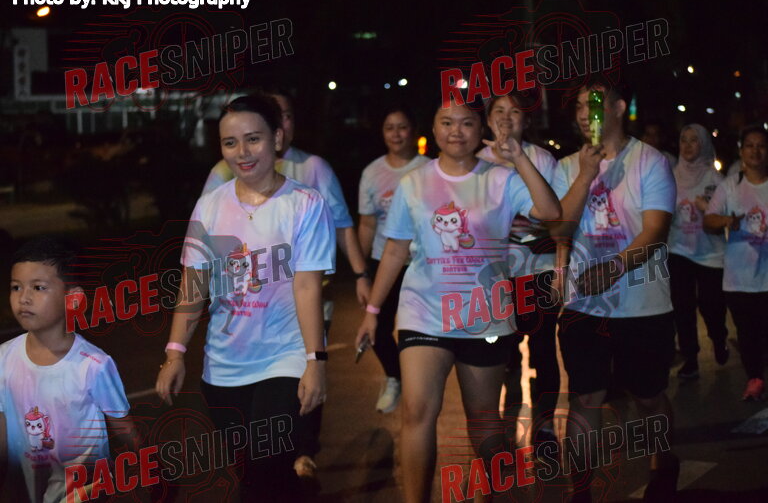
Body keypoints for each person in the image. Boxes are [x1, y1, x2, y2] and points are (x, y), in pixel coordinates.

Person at [356, 98, 561, 502]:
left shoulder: (502, 178)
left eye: (466, 123)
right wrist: (373, 311)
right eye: (446, 122)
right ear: (433, 130)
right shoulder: (414, 183)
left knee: (484, 428)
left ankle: (493, 491)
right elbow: (395, 250)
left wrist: (518, 158)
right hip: (423, 313)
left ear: (481, 130)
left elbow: (551, 212)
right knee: (417, 412)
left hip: (485, 316)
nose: (456, 131)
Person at [156, 96, 336, 501]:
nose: (242, 152)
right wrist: (175, 353)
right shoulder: (210, 206)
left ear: (277, 138)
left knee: (266, 463)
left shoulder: (306, 204)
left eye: (253, 139)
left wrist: (315, 361)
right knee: (254, 475)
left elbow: (307, 287)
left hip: (285, 358)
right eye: (230, 142)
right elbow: (194, 283)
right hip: (224, 366)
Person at [202, 89, 370, 478]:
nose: (243, 148)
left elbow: (342, 224)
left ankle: (303, 448)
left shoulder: (314, 170)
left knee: (305, 370)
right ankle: (281, 460)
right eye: (232, 141)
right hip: (241, 330)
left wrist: (361, 274)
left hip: (304, 303)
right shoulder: (222, 176)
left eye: (288, 115)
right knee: (253, 460)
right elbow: (208, 237)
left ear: (280, 130)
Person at [551, 81, 679, 503]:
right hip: (584, 305)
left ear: (620, 108)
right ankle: (580, 491)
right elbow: (560, 230)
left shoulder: (651, 162)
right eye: (578, 106)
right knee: (585, 398)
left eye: (594, 105)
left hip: (644, 304)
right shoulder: (566, 167)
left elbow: (655, 231)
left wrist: (616, 267)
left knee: (647, 397)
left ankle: (663, 463)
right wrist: (586, 175)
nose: (584, 114)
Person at [1, 237, 133, 503]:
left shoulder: (93, 364)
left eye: (38, 288)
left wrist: (153, 465)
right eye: (16, 287)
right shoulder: (3, 357)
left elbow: (123, 426)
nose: (23, 298)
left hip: (85, 489)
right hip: (34, 489)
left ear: (72, 299)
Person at [476, 92, 560, 445]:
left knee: (543, 351)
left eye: (515, 112)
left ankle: (545, 426)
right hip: (495, 277)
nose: (506, 117)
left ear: (526, 120)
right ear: (487, 119)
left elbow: (558, 215)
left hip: (538, 271)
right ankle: (505, 430)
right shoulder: (475, 162)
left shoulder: (542, 159)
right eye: (499, 111)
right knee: (502, 355)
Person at [704, 125, 768, 400]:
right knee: (747, 330)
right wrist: (726, 220)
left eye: (761, 146)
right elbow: (709, 219)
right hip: (738, 275)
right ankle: (755, 378)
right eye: (749, 146)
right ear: (741, 151)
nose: (755, 151)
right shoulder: (729, 186)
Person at [357, 104, 429, 413]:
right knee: (377, 327)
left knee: (418, 330)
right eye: (389, 128)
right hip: (383, 260)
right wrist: (362, 272)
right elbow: (367, 224)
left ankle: (417, 384)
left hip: (420, 263)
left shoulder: (429, 169)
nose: (396, 134)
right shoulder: (372, 172)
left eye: (402, 127)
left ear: (414, 131)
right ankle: (394, 376)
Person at [668, 124, 729, 380]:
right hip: (678, 250)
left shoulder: (716, 179)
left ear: (703, 144)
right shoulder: (670, 177)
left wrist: (709, 209)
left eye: (694, 140)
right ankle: (690, 358)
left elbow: (728, 214)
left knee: (711, 305)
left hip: (710, 254)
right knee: (682, 308)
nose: (688, 145)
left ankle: (719, 337)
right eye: (684, 140)